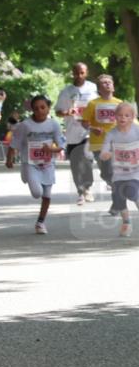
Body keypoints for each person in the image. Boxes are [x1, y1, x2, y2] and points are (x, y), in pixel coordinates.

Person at [6, 95, 65, 234]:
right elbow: (14, 143)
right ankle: (26, 173)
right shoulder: (25, 125)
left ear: (48, 108)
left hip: (48, 164)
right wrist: (9, 159)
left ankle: (40, 222)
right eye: (36, 108)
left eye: (43, 107)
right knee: (37, 193)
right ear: (32, 110)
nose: (40, 111)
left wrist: (52, 149)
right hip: (30, 163)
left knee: (47, 194)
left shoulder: (54, 125)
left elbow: (61, 145)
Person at [55, 62, 98, 205]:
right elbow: (57, 111)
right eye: (76, 72)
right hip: (72, 132)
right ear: (72, 73)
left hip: (88, 130)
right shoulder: (66, 91)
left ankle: (87, 187)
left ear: (86, 73)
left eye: (82, 72)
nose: (79, 75)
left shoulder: (93, 88)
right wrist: (67, 112)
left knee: (87, 160)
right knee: (75, 164)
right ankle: (80, 192)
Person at [81, 74, 122, 213]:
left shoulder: (119, 103)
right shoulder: (93, 104)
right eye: (104, 83)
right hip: (99, 143)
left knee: (116, 173)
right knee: (106, 173)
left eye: (109, 82)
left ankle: (117, 203)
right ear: (99, 88)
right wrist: (93, 128)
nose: (107, 85)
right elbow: (84, 122)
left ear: (113, 86)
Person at [99, 102, 139, 237]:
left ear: (133, 116)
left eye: (127, 115)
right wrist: (105, 154)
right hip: (118, 173)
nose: (123, 118)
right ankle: (126, 223)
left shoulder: (137, 130)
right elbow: (104, 148)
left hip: (135, 172)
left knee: (132, 192)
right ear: (115, 117)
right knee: (118, 198)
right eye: (120, 115)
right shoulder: (112, 133)